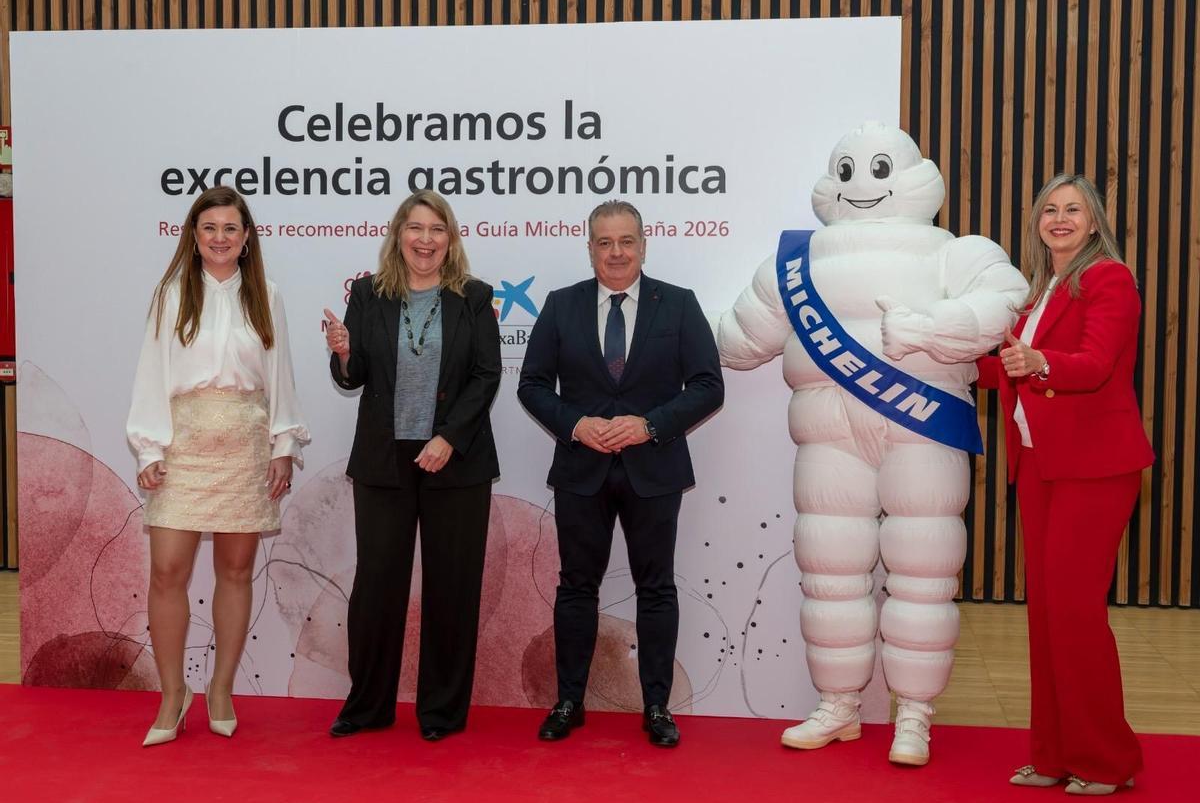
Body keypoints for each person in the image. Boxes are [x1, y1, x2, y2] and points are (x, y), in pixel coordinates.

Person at [712, 122, 1026, 765]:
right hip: (827, 434)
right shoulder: (794, 262)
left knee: (924, 571)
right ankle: (839, 704)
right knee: (829, 572)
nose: (862, 184)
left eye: (878, 169)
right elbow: (736, 341)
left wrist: (934, 328)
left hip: (924, 426)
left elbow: (1006, 301)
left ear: (911, 176)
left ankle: (915, 713)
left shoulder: (956, 251)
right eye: (848, 170)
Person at [517, 200, 723, 747]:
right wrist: (576, 424)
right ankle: (569, 700)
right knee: (575, 588)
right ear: (589, 248)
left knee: (655, 589)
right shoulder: (561, 306)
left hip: (653, 471)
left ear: (643, 244)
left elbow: (708, 386)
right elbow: (532, 385)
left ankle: (656, 706)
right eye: (604, 242)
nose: (616, 252)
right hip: (580, 471)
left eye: (625, 241)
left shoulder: (678, 305)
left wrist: (649, 425)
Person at [976, 174, 1154, 795]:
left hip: (1095, 467)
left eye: (1072, 210)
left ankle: (1106, 760)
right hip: (1041, 466)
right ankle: (1053, 755)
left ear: (1094, 221)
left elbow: (1098, 364)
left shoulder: (1109, 278)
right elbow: (1008, 370)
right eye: (1049, 210)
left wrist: (1039, 361)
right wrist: (945, 355)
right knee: (1047, 616)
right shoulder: (1040, 290)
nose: (1059, 218)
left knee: (1075, 614)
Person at [127, 186, 309, 746]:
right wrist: (151, 449)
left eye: (231, 229)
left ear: (247, 237)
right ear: (194, 236)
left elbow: (280, 374)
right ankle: (172, 694)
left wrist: (284, 445)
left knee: (234, 571)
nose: (221, 238)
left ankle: (222, 689)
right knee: (167, 572)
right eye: (210, 228)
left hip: (245, 447)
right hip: (183, 446)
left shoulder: (267, 295)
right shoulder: (171, 293)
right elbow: (152, 372)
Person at [324, 190, 501, 742]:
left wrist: (449, 437)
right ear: (398, 234)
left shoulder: (474, 296)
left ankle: (442, 713)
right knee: (377, 587)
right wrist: (345, 352)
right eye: (416, 228)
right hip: (384, 462)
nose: (425, 240)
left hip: (455, 460)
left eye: (437, 230)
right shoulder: (368, 295)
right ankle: (368, 706)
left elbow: (486, 375)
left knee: (452, 589)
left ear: (450, 240)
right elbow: (352, 379)